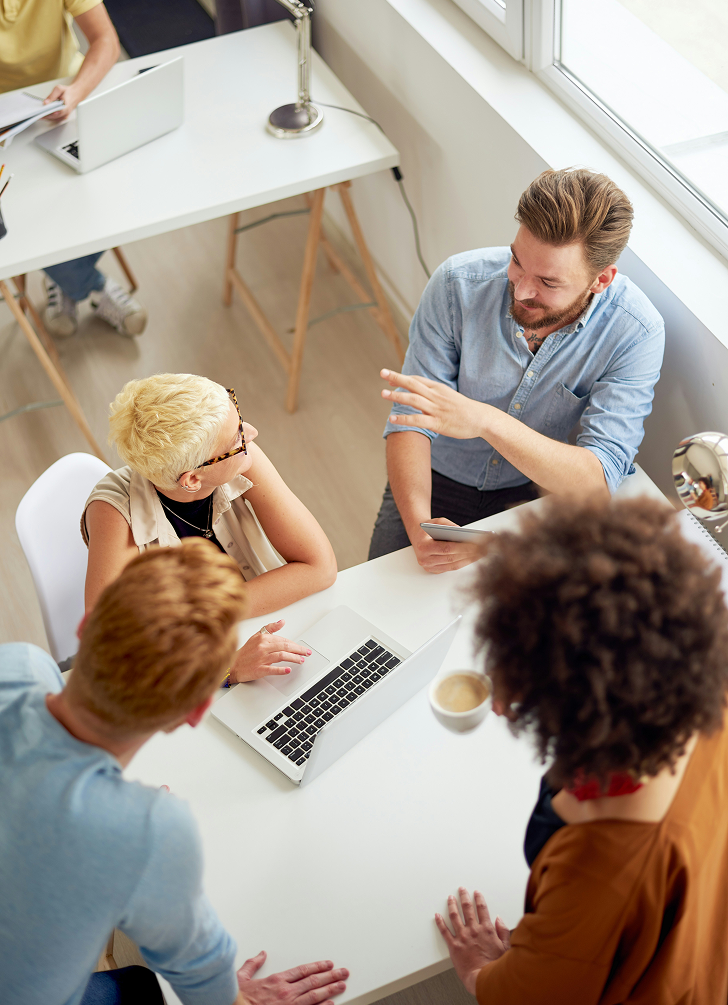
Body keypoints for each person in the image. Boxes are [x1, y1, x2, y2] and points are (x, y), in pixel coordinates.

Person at [0, 539, 349, 1005]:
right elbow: (210, 994)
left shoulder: (17, 666)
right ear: (193, 709)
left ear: (86, 626)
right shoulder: (148, 832)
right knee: (146, 989)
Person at [435, 497, 728, 1002]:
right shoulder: (704, 696)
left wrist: (481, 972)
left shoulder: (601, 873)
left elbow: (531, 995)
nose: (502, 700)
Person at [369, 168, 665, 573]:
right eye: (516, 260)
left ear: (601, 280)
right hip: (435, 477)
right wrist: (420, 530)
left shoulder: (635, 331)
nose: (522, 288)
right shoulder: (457, 285)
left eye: (547, 281)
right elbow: (410, 423)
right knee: (383, 605)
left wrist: (484, 420)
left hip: (535, 493)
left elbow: (597, 482)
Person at [82, 373, 337, 682]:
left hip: (263, 634)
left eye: (240, 420)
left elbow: (320, 567)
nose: (252, 434)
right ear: (192, 479)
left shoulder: (240, 455)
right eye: (236, 439)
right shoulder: (114, 513)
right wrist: (226, 667)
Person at [0, 0, 147, 337]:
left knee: (118, 187)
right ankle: (90, 285)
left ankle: (64, 280)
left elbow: (105, 40)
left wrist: (75, 92)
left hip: (67, 96)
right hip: (6, 124)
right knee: (19, 211)